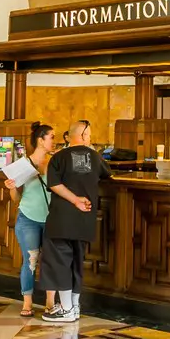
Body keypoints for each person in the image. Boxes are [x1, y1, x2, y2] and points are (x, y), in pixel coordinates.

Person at [39, 120, 108, 325]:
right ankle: (75, 307)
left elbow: (54, 184)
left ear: (69, 137)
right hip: (85, 219)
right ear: (85, 136)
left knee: (59, 262)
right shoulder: (95, 157)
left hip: (62, 218)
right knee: (77, 262)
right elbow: (107, 174)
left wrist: (75, 200)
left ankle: (66, 309)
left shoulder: (59, 157)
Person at [4, 123, 54, 317]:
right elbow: (16, 199)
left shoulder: (55, 163)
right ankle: (27, 302)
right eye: (51, 137)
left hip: (51, 219)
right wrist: (11, 187)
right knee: (30, 260)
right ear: (41, 140)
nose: (54, 141)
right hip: (28, 218)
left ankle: (51, 302)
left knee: (51, 261)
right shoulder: (23, 165)